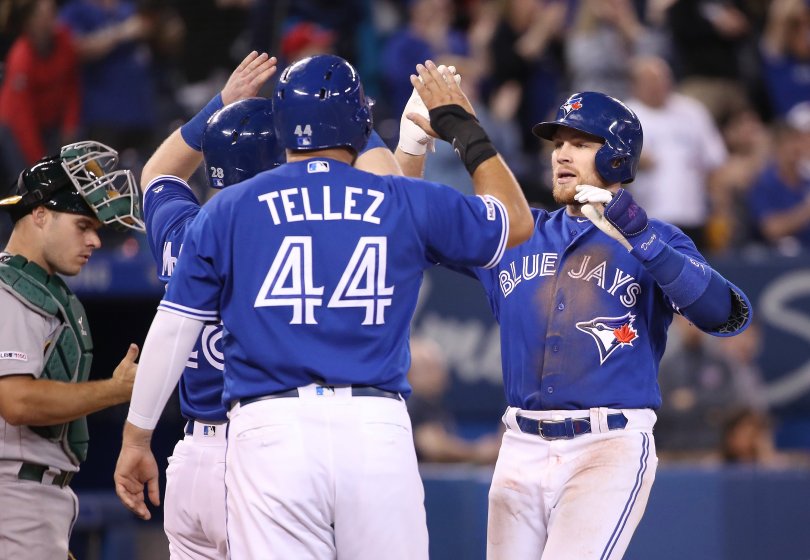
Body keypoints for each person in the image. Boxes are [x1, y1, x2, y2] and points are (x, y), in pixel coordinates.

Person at [113, 55, 533, 559]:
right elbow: (516, 222)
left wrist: (136, 438)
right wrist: (461, 126)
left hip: (271, 430)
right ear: (359, 125)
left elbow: (173, 329)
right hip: (375, 427)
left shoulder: (226, 209)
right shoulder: (399, 197)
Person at [448, 91, 752, 559]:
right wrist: (412, 148)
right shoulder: (520, 230)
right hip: (519, 446)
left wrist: (639, 236)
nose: (562, 154)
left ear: (616, 156)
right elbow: (416, 230)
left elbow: (724, 314)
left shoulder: (656, 238)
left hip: (606, 445)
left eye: (581, 143)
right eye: (558, 144)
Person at [142, 50, 406, 558]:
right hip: (263, 447)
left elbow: (157, 172)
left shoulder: (181, 229)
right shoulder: (289, 234)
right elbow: (390, 194)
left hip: (192, 456)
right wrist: (341, 120)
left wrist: (220, 104)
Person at [0, 140, 143, 560]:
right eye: (83, 225)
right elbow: (17, 401)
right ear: (39, 214)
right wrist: (117, 390)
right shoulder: (9, 291)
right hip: (15, 498)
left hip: (30, 501)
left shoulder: (37, 289)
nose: (95, 240)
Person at [407, 336, 500, 464]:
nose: (439, 373)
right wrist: (477, 452)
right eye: (429, 368)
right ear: (409, 374)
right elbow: (433, 447)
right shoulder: (413, 405)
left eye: (439, 366)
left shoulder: (434, 405)